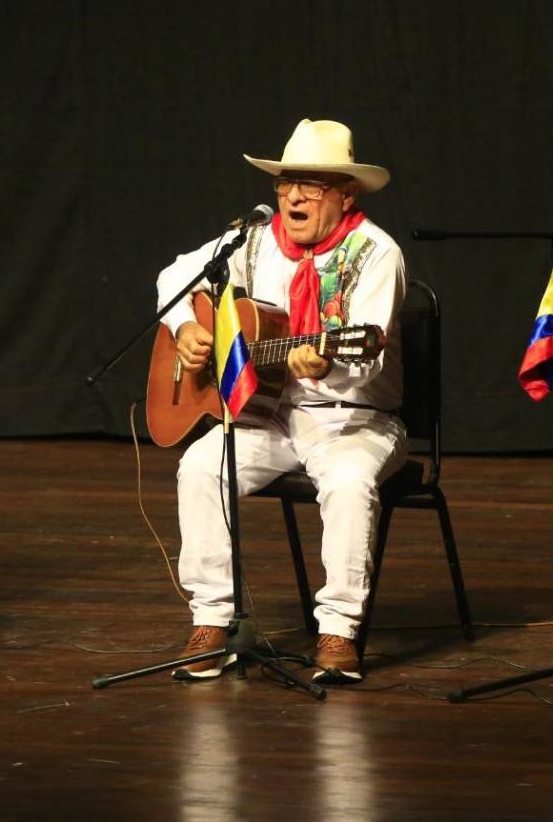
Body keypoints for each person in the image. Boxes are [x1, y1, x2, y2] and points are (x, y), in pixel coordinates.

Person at [156, 118, 407, 684]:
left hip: (355, 419)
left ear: (346, 195)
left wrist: (328, 362)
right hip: (265, 415)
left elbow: (367, 356)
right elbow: (174, 276)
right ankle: (211, 621)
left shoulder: (375, 254)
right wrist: (184, 328)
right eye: (287, 183)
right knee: (200, 466)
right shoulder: (253, 239)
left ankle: (339, 631)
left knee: (347, 484)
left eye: (312, 186)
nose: (294, 196)